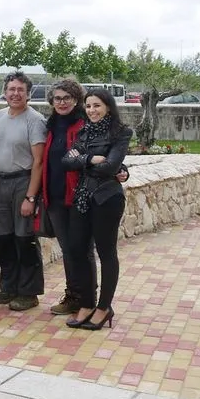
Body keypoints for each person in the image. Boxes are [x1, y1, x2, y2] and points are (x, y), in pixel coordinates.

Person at [63, 89, 132, 330]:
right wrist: (92, 159)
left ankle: (104, 307)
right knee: (76, 250)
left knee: (106, 253)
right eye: (89, 105)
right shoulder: (83, 132)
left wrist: (84, 159)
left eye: (97, 105)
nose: (92, 110)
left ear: (108, 107)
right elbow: (66, 162)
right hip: (83, 198)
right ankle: (86, 304)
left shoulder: (121, 132)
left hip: (106, 198)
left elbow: (111, 166)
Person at [0, 72, 47, 311]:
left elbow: (39, 162)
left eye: (20, 90)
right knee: (3, 238)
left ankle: (29, 292)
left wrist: (30, 197)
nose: (15, 94)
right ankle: (8, 287)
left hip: (23, 182)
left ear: (28, 93)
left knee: (24, 239)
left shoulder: (35, 120)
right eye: (11, 89)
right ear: (5, 91)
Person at [40, 79, 91, 316]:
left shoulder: (84, 125)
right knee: (68, 249)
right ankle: (73, 295)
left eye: (66, 98)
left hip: (78, 198)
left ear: (76, 100)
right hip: (56, 197)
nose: (61, 102)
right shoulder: (51, 125)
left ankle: (87, 298)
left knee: (82, 249)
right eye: (57, 98)